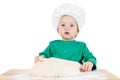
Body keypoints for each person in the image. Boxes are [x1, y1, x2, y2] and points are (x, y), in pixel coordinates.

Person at [34, 3, 97, 72]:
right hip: (56, 74)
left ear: (77, 31)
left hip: (76, 75)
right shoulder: (53, 45)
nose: (67, 28)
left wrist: (90, 62)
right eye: (63, 25)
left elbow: (91, 58)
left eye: (71, 25)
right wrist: (40, 58)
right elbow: (44, 55)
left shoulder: (81, 46)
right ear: (58, 30)